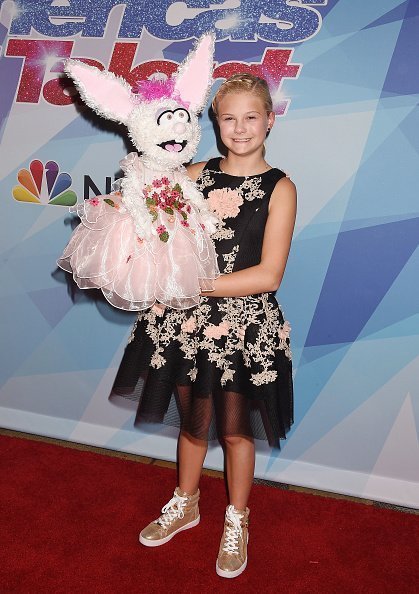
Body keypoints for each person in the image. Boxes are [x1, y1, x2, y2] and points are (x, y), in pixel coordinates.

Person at [111, 73, 297, 579]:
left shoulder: (280, 187)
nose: (240, 129)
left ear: (269, 120)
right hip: (186, 325)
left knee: (237, 432)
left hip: (243, 328)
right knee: (193, 423)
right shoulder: (193, 174)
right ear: (215, 124)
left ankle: (237, 517)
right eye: (228, 118)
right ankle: (186, 502)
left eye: (250, 117)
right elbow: (151, 222)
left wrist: (194, 283)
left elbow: (269, 275)